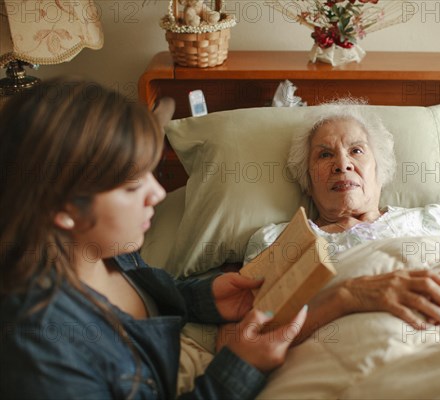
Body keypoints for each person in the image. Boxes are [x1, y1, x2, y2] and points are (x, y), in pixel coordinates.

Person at [0, 78, 306, 399]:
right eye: (132, 186)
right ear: (63, 209)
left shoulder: (108, 248)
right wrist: (241, 369)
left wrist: (206, 298)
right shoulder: (40, 352)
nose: (158, 193)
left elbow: (142, 308)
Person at [244, 99, 440, 343]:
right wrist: (346, 296)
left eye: (356, 150)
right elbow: (252, 338)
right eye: (324, 154)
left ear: (380, 169)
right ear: (307, 179)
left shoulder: (430, 219)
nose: (342, 164)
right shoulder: (279, 239)